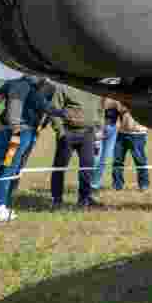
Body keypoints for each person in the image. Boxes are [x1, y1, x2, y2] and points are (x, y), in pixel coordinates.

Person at [0, 75, 68, 221]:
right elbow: (47, 108)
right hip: (20, 134)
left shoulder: (11, 83)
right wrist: (64, 113)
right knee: (8, 168)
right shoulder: (36, 91)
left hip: (1, 132)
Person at [48, 81, 103, 209]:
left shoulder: (94, 88)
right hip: (68, 133)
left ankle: (84, 199)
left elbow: (100, 110)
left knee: (87, 167)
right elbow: (53, 110)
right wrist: (60, 131)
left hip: (88, 134)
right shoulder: (64, 87)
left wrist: (99, 129)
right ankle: (56, 200)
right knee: (60, 167)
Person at [110, 98, 149, 191]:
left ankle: (143, 184)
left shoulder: (143, 98)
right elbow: (115, 113)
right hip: (122, 134)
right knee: (117, 160)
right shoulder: (119, 99)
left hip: (138, 134)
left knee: (140, 161)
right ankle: (117, 185)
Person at [90, 96, 120, 192]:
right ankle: (87, 184)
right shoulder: (97, 95)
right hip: (99, 129)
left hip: (112, 129)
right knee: (96, 159)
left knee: (105, 159)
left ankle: (95, 185)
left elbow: (123, 108)